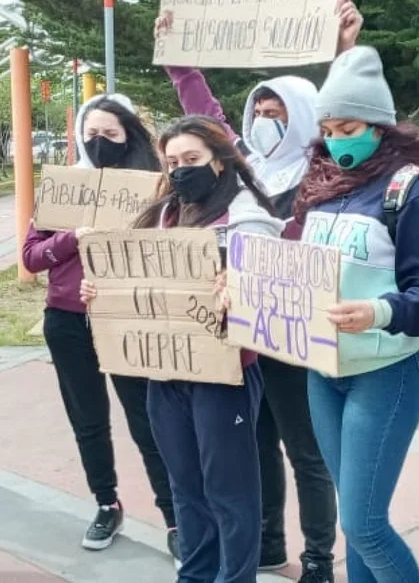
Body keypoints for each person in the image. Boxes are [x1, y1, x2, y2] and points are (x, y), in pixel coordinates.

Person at [149, 0, 366, 582]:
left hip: (291, 331)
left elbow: (351, 115)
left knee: (306, 450)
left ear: (300, 114)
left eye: (278, 109)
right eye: (258, 109)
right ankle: (268, 545)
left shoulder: (322, 168)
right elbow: (203, 117)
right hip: (234, 342)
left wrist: (344, 52)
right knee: (254, 448)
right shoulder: (240, 167)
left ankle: (318, 555)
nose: (265, 117)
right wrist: (178, 60)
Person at [82, 115, 283, 583]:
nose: (179, 171)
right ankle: (194, 575)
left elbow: (270, 295)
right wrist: (104, 295)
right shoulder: (161, 214)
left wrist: (243, 288)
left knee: (228, 491)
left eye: (191, 160)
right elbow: (136, 284)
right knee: (185, 487)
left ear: (220, 161)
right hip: (164, 374)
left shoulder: (246, 218)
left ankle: (236, 578)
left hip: (224, 376)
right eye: (171, 162)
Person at [294, 46, 419, 582]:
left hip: (383, 374)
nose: (339, 139)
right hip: (324, 372)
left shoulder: (411, 191)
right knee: (354, 522)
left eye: (350, 126)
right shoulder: (322, 189)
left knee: (365, 523)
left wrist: (380, 311)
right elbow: (292, 266)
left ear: (382, 127)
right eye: (330, 129)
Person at [22, 94, 180, 557]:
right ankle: (106, 502)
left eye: (110, 134)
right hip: (67, 320)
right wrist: (74, 238)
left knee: (147, 421)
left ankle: (175, 517)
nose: (100, 143)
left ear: (129, 134)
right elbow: (32, 256)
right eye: (91, 134)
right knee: (88, 421)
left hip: (128, 320)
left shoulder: (155, 188)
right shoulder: (64, 188)